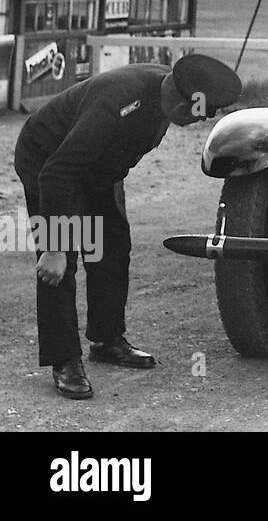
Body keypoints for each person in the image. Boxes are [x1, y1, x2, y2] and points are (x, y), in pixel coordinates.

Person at [14, 54, 241, 400]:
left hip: (98, 169)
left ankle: (106, 340)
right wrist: (54, 247)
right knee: (61, 265)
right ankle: (64, 359)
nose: (201, 119)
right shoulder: (119, 103)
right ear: (181, 101)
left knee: (112, 245)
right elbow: (59, 172)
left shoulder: (169, 92)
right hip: (50, 160)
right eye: (198, 111)